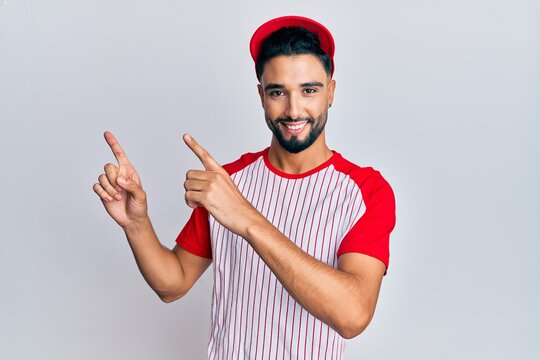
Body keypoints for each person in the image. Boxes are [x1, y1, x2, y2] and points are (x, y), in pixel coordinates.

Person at [93, 15, 396, 359]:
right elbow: (172, 284)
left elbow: (353, 315)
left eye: (309, 90)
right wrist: (136, 224)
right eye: (277, 92)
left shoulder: (365, 190)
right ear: (261, 96)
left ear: (331, 92)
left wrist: (246, 218)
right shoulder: (228, 181)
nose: (294, 109)